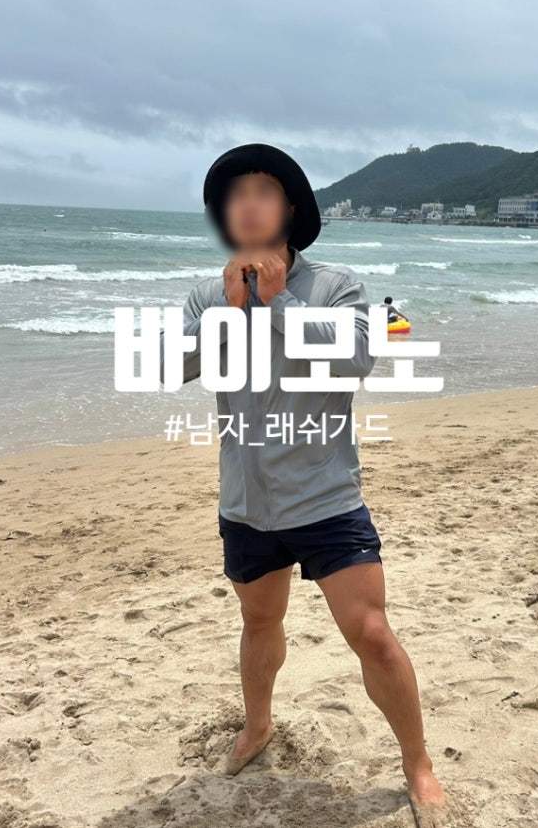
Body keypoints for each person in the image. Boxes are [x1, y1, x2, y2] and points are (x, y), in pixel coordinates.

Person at [160, 143, 449, 824]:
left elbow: (355, 357)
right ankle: (257, 725)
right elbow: (173, 366)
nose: (247, 204)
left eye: (263, 190)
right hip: (246, 503)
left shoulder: (336, 286)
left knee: (371, 633)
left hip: (325, 498)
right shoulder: (209, 293)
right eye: (235, 194)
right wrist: (229, 309)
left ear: (290, 207)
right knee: (259, 622)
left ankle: (417, 763)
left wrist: (277, 300)